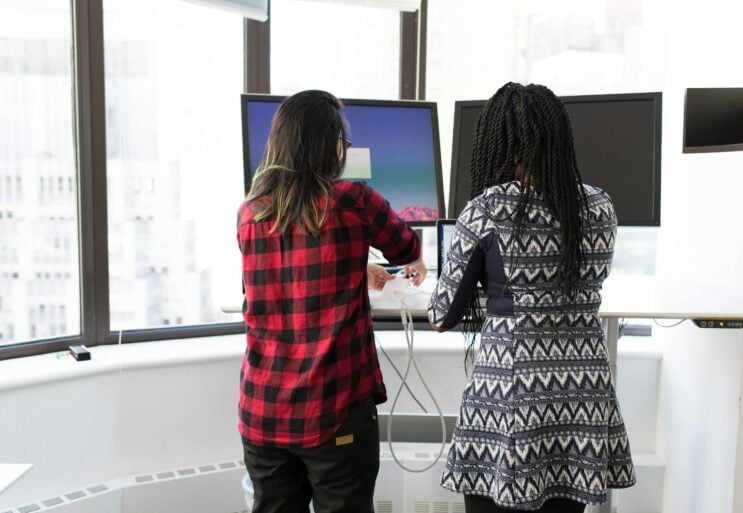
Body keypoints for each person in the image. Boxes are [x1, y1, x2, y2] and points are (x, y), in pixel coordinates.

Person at [427, 82, 635, 513]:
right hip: (581, 399)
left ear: (499, 144)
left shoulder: (488, 208)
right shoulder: (601, 206)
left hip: (511, 398)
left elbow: (443, 314)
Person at [237, 89, 426, 513]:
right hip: (333, 411)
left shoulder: (250, 212)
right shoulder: (352, 201)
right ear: (331, 146)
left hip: (262, 411)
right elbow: (405, 248)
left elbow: (287, 271)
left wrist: (354, 268)